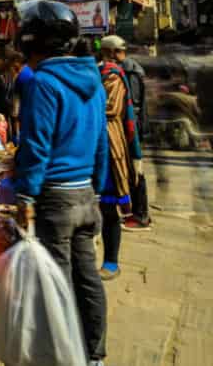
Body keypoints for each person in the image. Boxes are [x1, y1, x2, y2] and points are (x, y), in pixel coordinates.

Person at [13, 0, 108, 366]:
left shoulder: (44, 83)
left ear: (32, 42)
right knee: (88, 280)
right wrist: (96, 188)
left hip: (55, 198)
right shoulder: (93, 82)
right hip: (86, 194)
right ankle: (94, 356)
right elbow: (100, 142)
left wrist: (25, 194)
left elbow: (36, 145)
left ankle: (63, 357)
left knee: (58, 283)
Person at [96, 35, 139, 280]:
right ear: (111, 52)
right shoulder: (97, 72)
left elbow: (111, 108)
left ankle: (111, 261)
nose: (123, 54)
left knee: (109, 206)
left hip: (110, 142)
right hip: (92, 142)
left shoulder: (114, 76)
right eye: (121, 50)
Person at [120, 54, 151, 231]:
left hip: (133, 128)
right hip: (134, 127)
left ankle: (141, 215)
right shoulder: (132, 69)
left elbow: (133, 104)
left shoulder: (130, 72)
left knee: (135, 170)